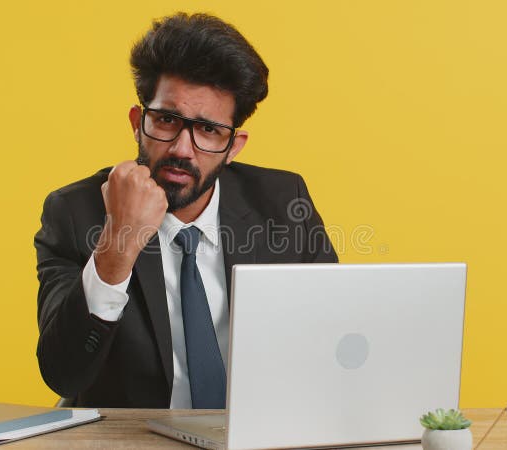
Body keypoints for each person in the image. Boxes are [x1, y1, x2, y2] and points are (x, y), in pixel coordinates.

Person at [35, 12, 337, 409]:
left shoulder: (282, 202)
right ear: (137, 123)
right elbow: (64, 373)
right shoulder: (75, 212)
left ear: (235, 146)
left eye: (208, 130)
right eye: (166, 120)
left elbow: (336, 335)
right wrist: (117, 245)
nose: (181, 148)